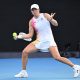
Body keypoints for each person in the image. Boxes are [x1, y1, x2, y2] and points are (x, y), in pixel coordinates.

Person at [15, 4, 80, 78]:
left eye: (35, 9)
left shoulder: (45, 15)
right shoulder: (31, 21)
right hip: (39, 41)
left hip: (49, 41)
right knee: (25, 52)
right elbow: (30, 35)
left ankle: (75, 67)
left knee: (57, 57)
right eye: (32, 10)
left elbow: (56, 24)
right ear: (31, 11)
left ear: (39, 10)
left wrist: (51, 20)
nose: (34, 11)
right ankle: (24, 72)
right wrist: (19, 36)